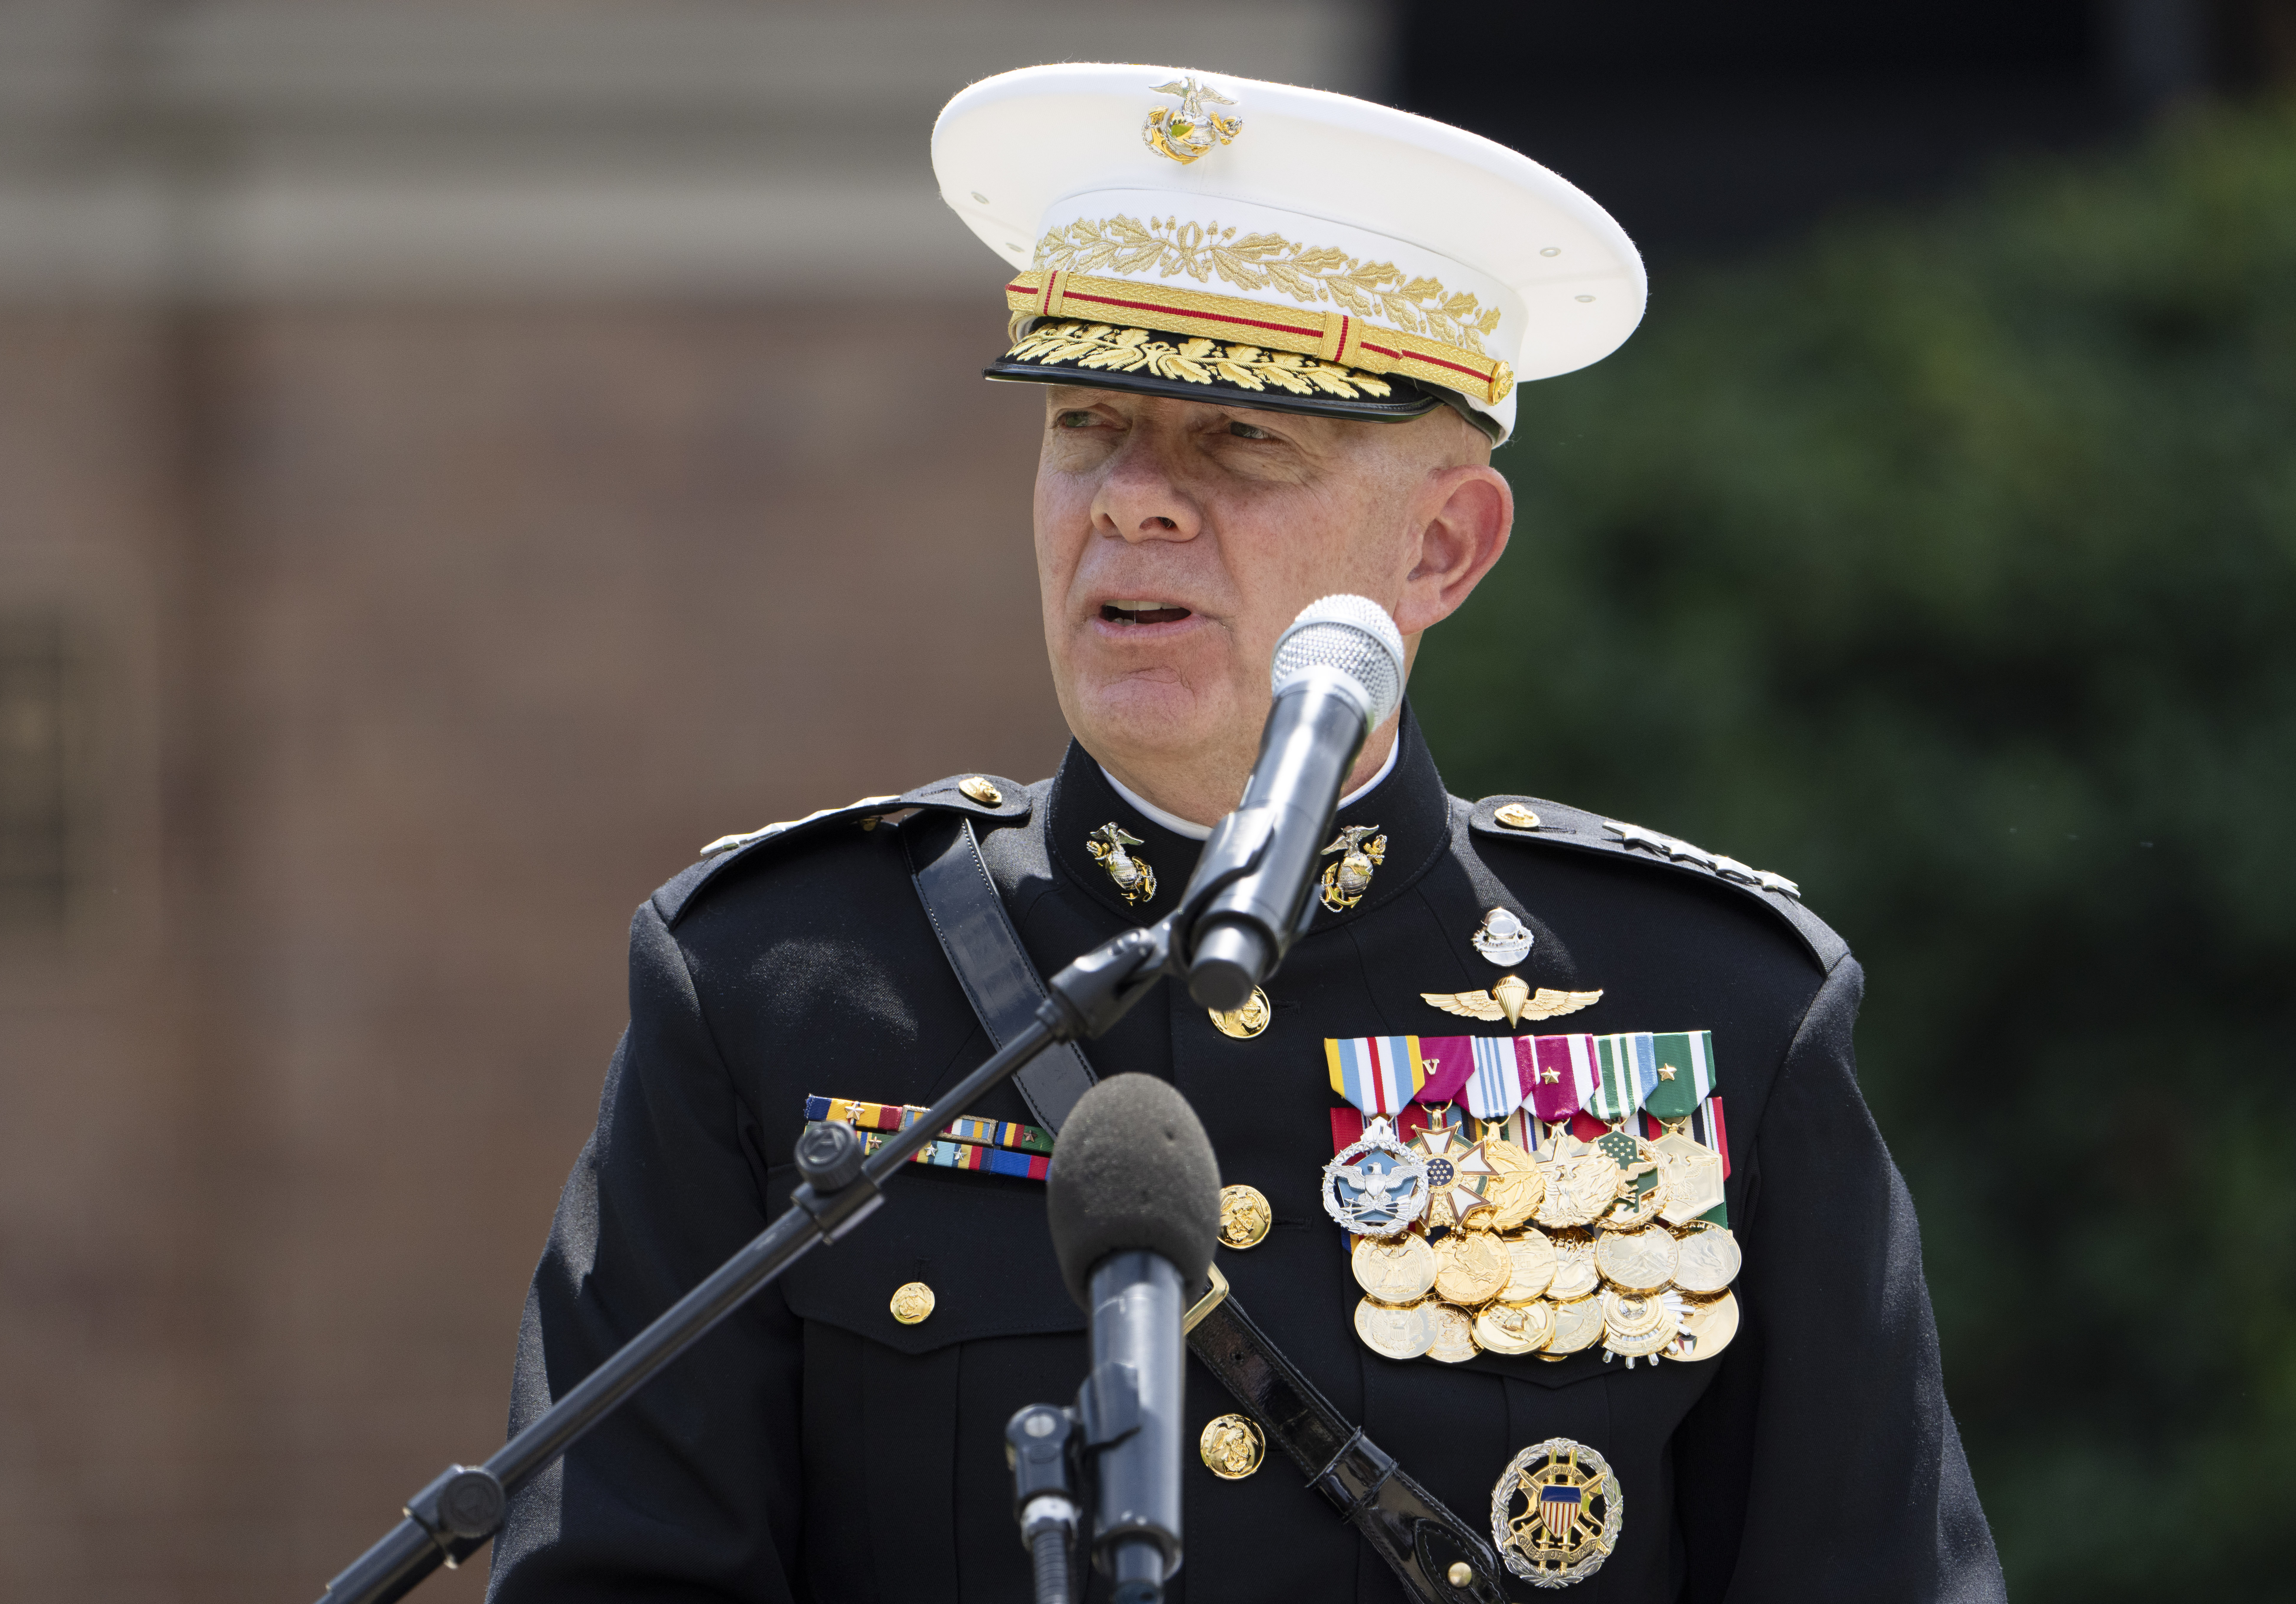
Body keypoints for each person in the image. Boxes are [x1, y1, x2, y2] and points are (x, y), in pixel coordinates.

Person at [486, 64, 2003, 1603]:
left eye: (1240, 443)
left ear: (1444, 545)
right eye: (1088, 425)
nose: (1132, 503)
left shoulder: (1714, 1012)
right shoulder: (785, 989)